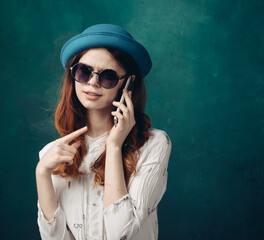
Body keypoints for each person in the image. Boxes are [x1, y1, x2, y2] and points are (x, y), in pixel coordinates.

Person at [35, 24, 172, 240]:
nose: (92, 82)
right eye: (84, 71)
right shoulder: (52, 154)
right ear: (73, 74)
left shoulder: (155, 144)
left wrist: (114, 146)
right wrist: (42, 173)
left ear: (127, 82)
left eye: (107, 76)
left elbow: (121, 233)